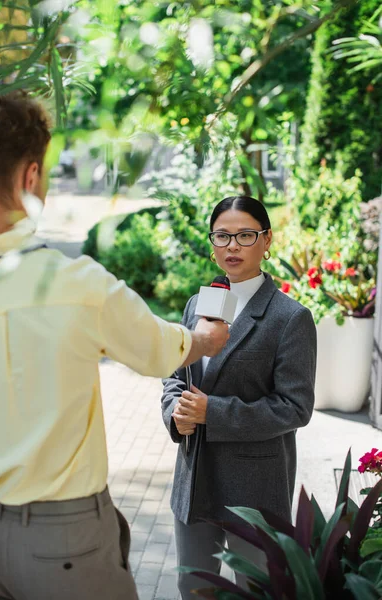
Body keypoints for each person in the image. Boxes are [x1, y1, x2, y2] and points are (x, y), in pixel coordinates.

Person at [0, 92, 229, 600]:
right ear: (30, 177)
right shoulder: (75, 284)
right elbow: (159, 349)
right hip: (63, 538)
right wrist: (204, 338)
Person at [161, 196, 317, 599]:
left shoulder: (290, 318)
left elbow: (295, 407)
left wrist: (214, 413)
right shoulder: (198, 304)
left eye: (245, 235)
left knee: (255, 590)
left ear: (267, 241)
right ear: (212, 244)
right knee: (193, 588)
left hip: (254, 488)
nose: (232, 245)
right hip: (194, 480)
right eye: (223, 236)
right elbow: (176, 377)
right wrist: (174, 413)